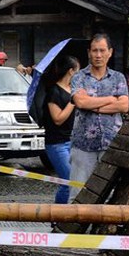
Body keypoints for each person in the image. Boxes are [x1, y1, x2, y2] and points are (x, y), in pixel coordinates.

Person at [69, 33, 129, 193]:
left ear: (110, 52)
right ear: (89, 52)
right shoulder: (78, 77)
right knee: (77, 195)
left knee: (111, 194)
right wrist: (111, 99)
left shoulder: (118, 78)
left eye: (102, 50)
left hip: (111, 143)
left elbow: (124, 105)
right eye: (95, 51)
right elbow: (81, 102)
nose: (98, 55)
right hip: (83, 144)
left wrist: (92, 105)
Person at [43, 55, 79, 204]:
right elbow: (57, 119)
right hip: (57, 144)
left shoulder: (73, 89)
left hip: (73, 141)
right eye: (77, 69)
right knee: (68, 181)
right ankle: (58, 218)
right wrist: (72, 102)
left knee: (74, 181)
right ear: (71, 71)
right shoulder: (54, 92)